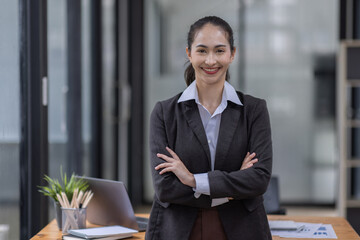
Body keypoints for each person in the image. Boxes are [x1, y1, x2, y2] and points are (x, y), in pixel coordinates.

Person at [146, 16, 272, 240]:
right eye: (202, 51)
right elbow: (165, 188)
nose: (211, 60)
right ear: (189, 53)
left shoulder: (254, 110)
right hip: (178, 230)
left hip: (241, 229)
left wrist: (194, 180)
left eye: (219, 51)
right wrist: (231, 189)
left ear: (232, 54)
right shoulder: (164, 113)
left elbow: (259, 179)